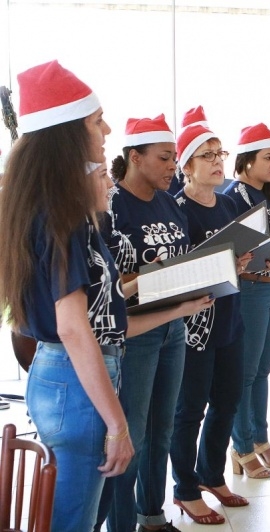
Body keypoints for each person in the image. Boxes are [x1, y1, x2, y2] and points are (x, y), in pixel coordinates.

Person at [0, 60, 211, 532]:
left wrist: (181, 306)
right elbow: (75, 328)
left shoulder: (45, 206)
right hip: (75, 382)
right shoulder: (63, 215)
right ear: (68, 134)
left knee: (80, 513)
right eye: (97, 122)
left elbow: (106, 323)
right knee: (74, 519)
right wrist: (117, 424)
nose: (107, 130)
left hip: (67, 376)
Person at [96, 113, 192, 532]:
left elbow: (182, 259)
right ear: (135, 157)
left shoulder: (169, 202)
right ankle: (121, 525)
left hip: (174, 325)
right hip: (135, 332)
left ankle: (152, 515)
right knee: (131, 435)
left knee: (162, 429)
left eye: (174, 158)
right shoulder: (111, 203)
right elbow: (108, 279)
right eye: (164, 158)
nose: (173, 166)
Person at [170, 120, 253, 523]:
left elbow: (237, 260)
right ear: (187, 166)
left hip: (229, 316)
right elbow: (178, 273)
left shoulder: (228, 204)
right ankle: (185, 489)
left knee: (227, 400)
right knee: (190, 409)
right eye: (208, 155)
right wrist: (223, 265)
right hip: (195, 325)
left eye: (220, 153)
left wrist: (250, 262)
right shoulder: (176, 210)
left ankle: (211, 475)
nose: (219, 161)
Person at [225, 122, 270, 477]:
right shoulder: (233, 197)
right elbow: (231, 251)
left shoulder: (269, 195)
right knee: (246, 373)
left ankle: (260, 439)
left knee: (263, 370)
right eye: (267, 157)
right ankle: (241, 446)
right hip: (250, 288)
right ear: (247, 160)